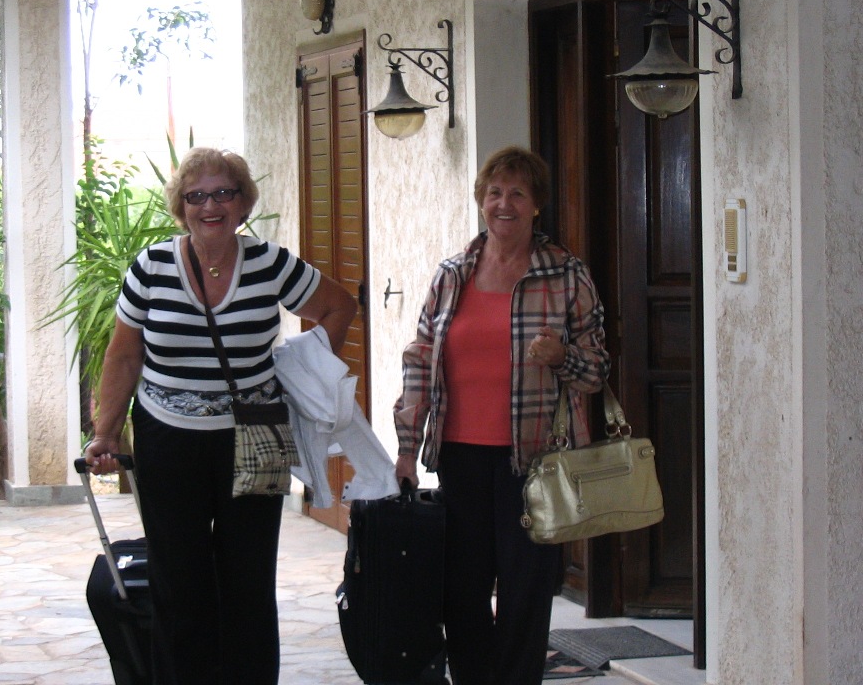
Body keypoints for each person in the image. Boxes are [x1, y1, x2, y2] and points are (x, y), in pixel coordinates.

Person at [85, 147, 357, 685]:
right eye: (197, 196)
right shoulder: (151, 267)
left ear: (243, 202)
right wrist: (105, 433)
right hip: (168, 438)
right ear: (181, 206)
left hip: (255, 436)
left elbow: (338, 305)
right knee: (177, 580)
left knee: (248, 581)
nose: (210, 206)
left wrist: (308, 371)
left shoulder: (270, 263)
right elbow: (124, 354)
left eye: (223, 193)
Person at [393, 145, 609, 685]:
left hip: (536, 464)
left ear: (537, 205)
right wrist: (406, 447)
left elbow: (596, 371)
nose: (503, 203)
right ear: (481, 200)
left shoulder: (566, 275)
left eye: (517, 193)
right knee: (461, 591)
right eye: (494, 192)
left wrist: (561, 356)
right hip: (459, 458)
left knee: (525, 591)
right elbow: (420, 360)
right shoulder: (452, 275)